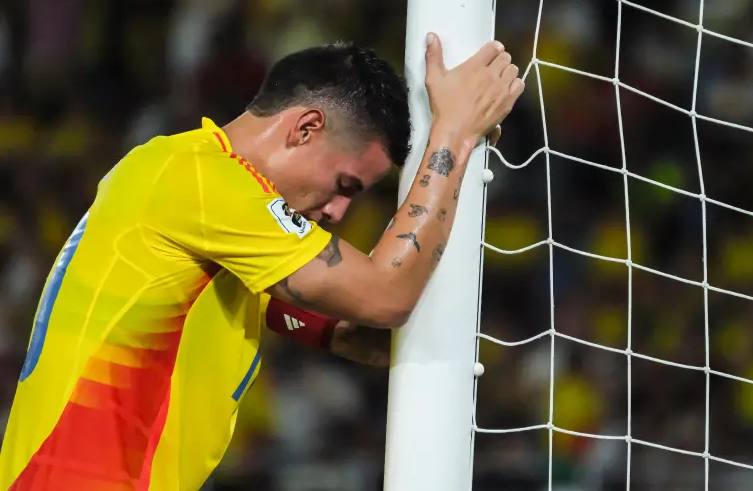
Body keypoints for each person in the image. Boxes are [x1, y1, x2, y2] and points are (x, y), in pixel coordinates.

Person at [0, 33, 524, 490]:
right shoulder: (205, 182)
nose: (339, 212)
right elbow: (383, 295)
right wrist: (453, 133)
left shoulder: (199, 205)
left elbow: (357, 332)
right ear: (305, 128)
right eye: (344, 186)